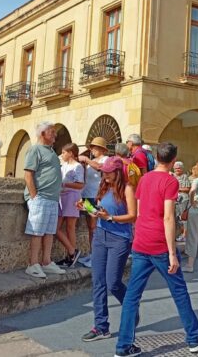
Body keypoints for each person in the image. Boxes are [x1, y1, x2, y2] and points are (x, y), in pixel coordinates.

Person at [114, 142, 198, 357]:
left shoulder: (144, 179)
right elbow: (168, 217)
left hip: (141, 241)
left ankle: (123, 346)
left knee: (133, 295)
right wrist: (172, 252)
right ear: (173, 159)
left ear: (157, 157)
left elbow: (140, 212)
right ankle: (194, 336)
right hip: (159, 243)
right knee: (179, 291)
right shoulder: (170, 181)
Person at [78, 157, 137, 342]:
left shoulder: (127, 188)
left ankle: (131, 309)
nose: (104, 174)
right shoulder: (103, 187)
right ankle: (101, 327)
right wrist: (88, 209)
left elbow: (133, 216)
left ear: (117, 172)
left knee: (113, 282)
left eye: (108, 172)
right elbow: (100, 211)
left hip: (119, 239)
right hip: (100, 236)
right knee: (98, 282)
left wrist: (110, 217)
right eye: (103, 171)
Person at [23, 122, 66, 278]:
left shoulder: (51, 151)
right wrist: (34, 197)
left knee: (49, 232)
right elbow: (28, 174)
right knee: (37, 231)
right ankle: (33, 263)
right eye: (52, 132)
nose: (55, 134)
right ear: (43, 134)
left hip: (52, 198)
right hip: (40, 198)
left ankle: (46, 262)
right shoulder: (35, 150)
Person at [77, 137, 109, 267]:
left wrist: (87, 160)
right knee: (90, 227)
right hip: (86, 197)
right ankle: (92, 253)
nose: (91, 150)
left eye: (94, 147)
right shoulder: (92, 161)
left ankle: (97, 256)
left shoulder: (105, 159)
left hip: (96, 197)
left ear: (100, 149)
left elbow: (101, 168)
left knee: (94, 227)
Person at [57, 143, 85, 267]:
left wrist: (65, 184)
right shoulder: (63, 166)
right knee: (56, 228)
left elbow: (80, 184)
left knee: (70, 227)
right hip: (62, 197)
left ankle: (71, 256)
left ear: (71, 153)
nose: (62, 155)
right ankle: (72, 252)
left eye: (64, 152)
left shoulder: (78, 166)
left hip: (72, 197)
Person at [173, 161, 191, 243]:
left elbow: (187, 189)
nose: (177, 169)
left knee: (183, 217)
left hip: (183, 199)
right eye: (176, 168)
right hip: (173, 199)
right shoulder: (172, 176)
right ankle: (176, 235)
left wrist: (178, 189)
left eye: (179, 168)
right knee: (175, 218)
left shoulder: (184, 177)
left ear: (182, 169)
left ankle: (184, 235)